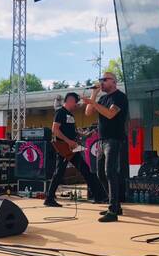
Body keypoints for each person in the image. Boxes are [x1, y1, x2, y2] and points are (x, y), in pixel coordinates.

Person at [46, 92, 108, 207]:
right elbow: (55, 130)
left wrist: (85, 135)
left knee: (85, 170)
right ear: (69, 100)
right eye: (76, 102)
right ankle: (49, 198)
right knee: (59, 172)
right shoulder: (60, 112)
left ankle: (99, 196)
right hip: (64, 146)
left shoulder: (71, 115)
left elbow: (73, 133)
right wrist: (69, 141)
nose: (77, 104)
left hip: (71, 147)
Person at [83, 72, 129, 222]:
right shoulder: (102, 98)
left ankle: (113, 210)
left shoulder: (120, 97)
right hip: (102, 141)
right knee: (100, 174)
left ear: (113, 82)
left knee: (110, 172)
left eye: (104, 80)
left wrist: (94, 103)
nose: (101, 82)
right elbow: (88, 112)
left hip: (114, 139)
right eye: (100, 80)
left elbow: (110, 114)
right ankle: (116, 205)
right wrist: (94, 93)